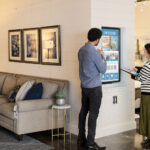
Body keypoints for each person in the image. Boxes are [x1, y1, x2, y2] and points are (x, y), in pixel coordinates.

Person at [77, 28, 107, 150]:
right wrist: (103, 57)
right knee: (93, 114)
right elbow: (103, 70)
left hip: (84, 86)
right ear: (97, 39)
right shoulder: (94, 52)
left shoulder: (81, 50)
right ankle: (90, 143)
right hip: (94, 88)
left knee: (84, 111)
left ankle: (81, 138)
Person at [132, 43, 150, 148]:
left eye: (145, 51)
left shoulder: (147, 65)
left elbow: (140, 78)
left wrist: (132, 74)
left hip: (147, 95)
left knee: (147, 116)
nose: (144, 53)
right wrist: (138, 71)